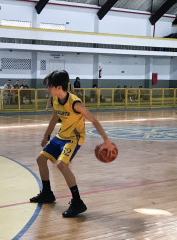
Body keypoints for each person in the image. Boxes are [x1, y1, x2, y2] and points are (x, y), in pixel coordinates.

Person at [30, 70, 115, 218]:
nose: (47, 89)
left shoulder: (75, 103)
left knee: (62, 165)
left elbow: (93, 120)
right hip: (61, 136)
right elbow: (54, 118)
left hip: (74, 138)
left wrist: (106, 141)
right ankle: (47, 193)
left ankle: (77, 202)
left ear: (58, 87)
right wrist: (46, 135)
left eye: (49, 86)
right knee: (40, 159)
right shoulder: (56, 100)